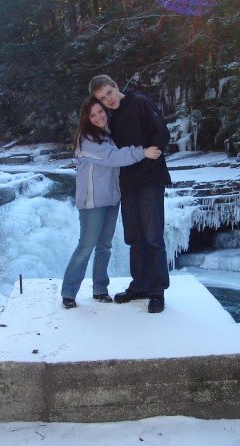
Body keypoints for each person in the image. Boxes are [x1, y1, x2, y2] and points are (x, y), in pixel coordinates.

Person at [61, 98, 161, 309]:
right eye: (92, 115)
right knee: (86, 246)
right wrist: (143, 152)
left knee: (104, 247)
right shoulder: (86, 139)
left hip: (111, 200)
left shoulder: (107, 135)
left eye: (100, 111)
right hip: (92, 202)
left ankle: (100, 289)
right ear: (86, 119)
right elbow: (113, 158)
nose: (98, 117)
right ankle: (68, 292)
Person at [89, 74, 171, 313]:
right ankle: (140, 285)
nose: (108, 99)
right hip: (127, 183)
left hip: (149, 180)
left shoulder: (139, 102)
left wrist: (149, 157)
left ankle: (157, 291)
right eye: (102, 98)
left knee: (152, 237)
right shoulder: (110, 116)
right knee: (134, 237)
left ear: (116, 86)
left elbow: (161, 134)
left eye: (109, 92)